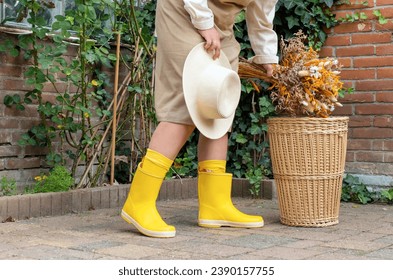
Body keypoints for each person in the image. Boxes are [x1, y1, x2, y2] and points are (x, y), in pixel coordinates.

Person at [121, 0, 279, 238]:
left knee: (218, 104)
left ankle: (215, 205)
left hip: (220, 23)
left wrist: (266, 54)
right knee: (184, 104)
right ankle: (139, 202)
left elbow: (261, 11)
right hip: (183, 10)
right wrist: (204, 23)